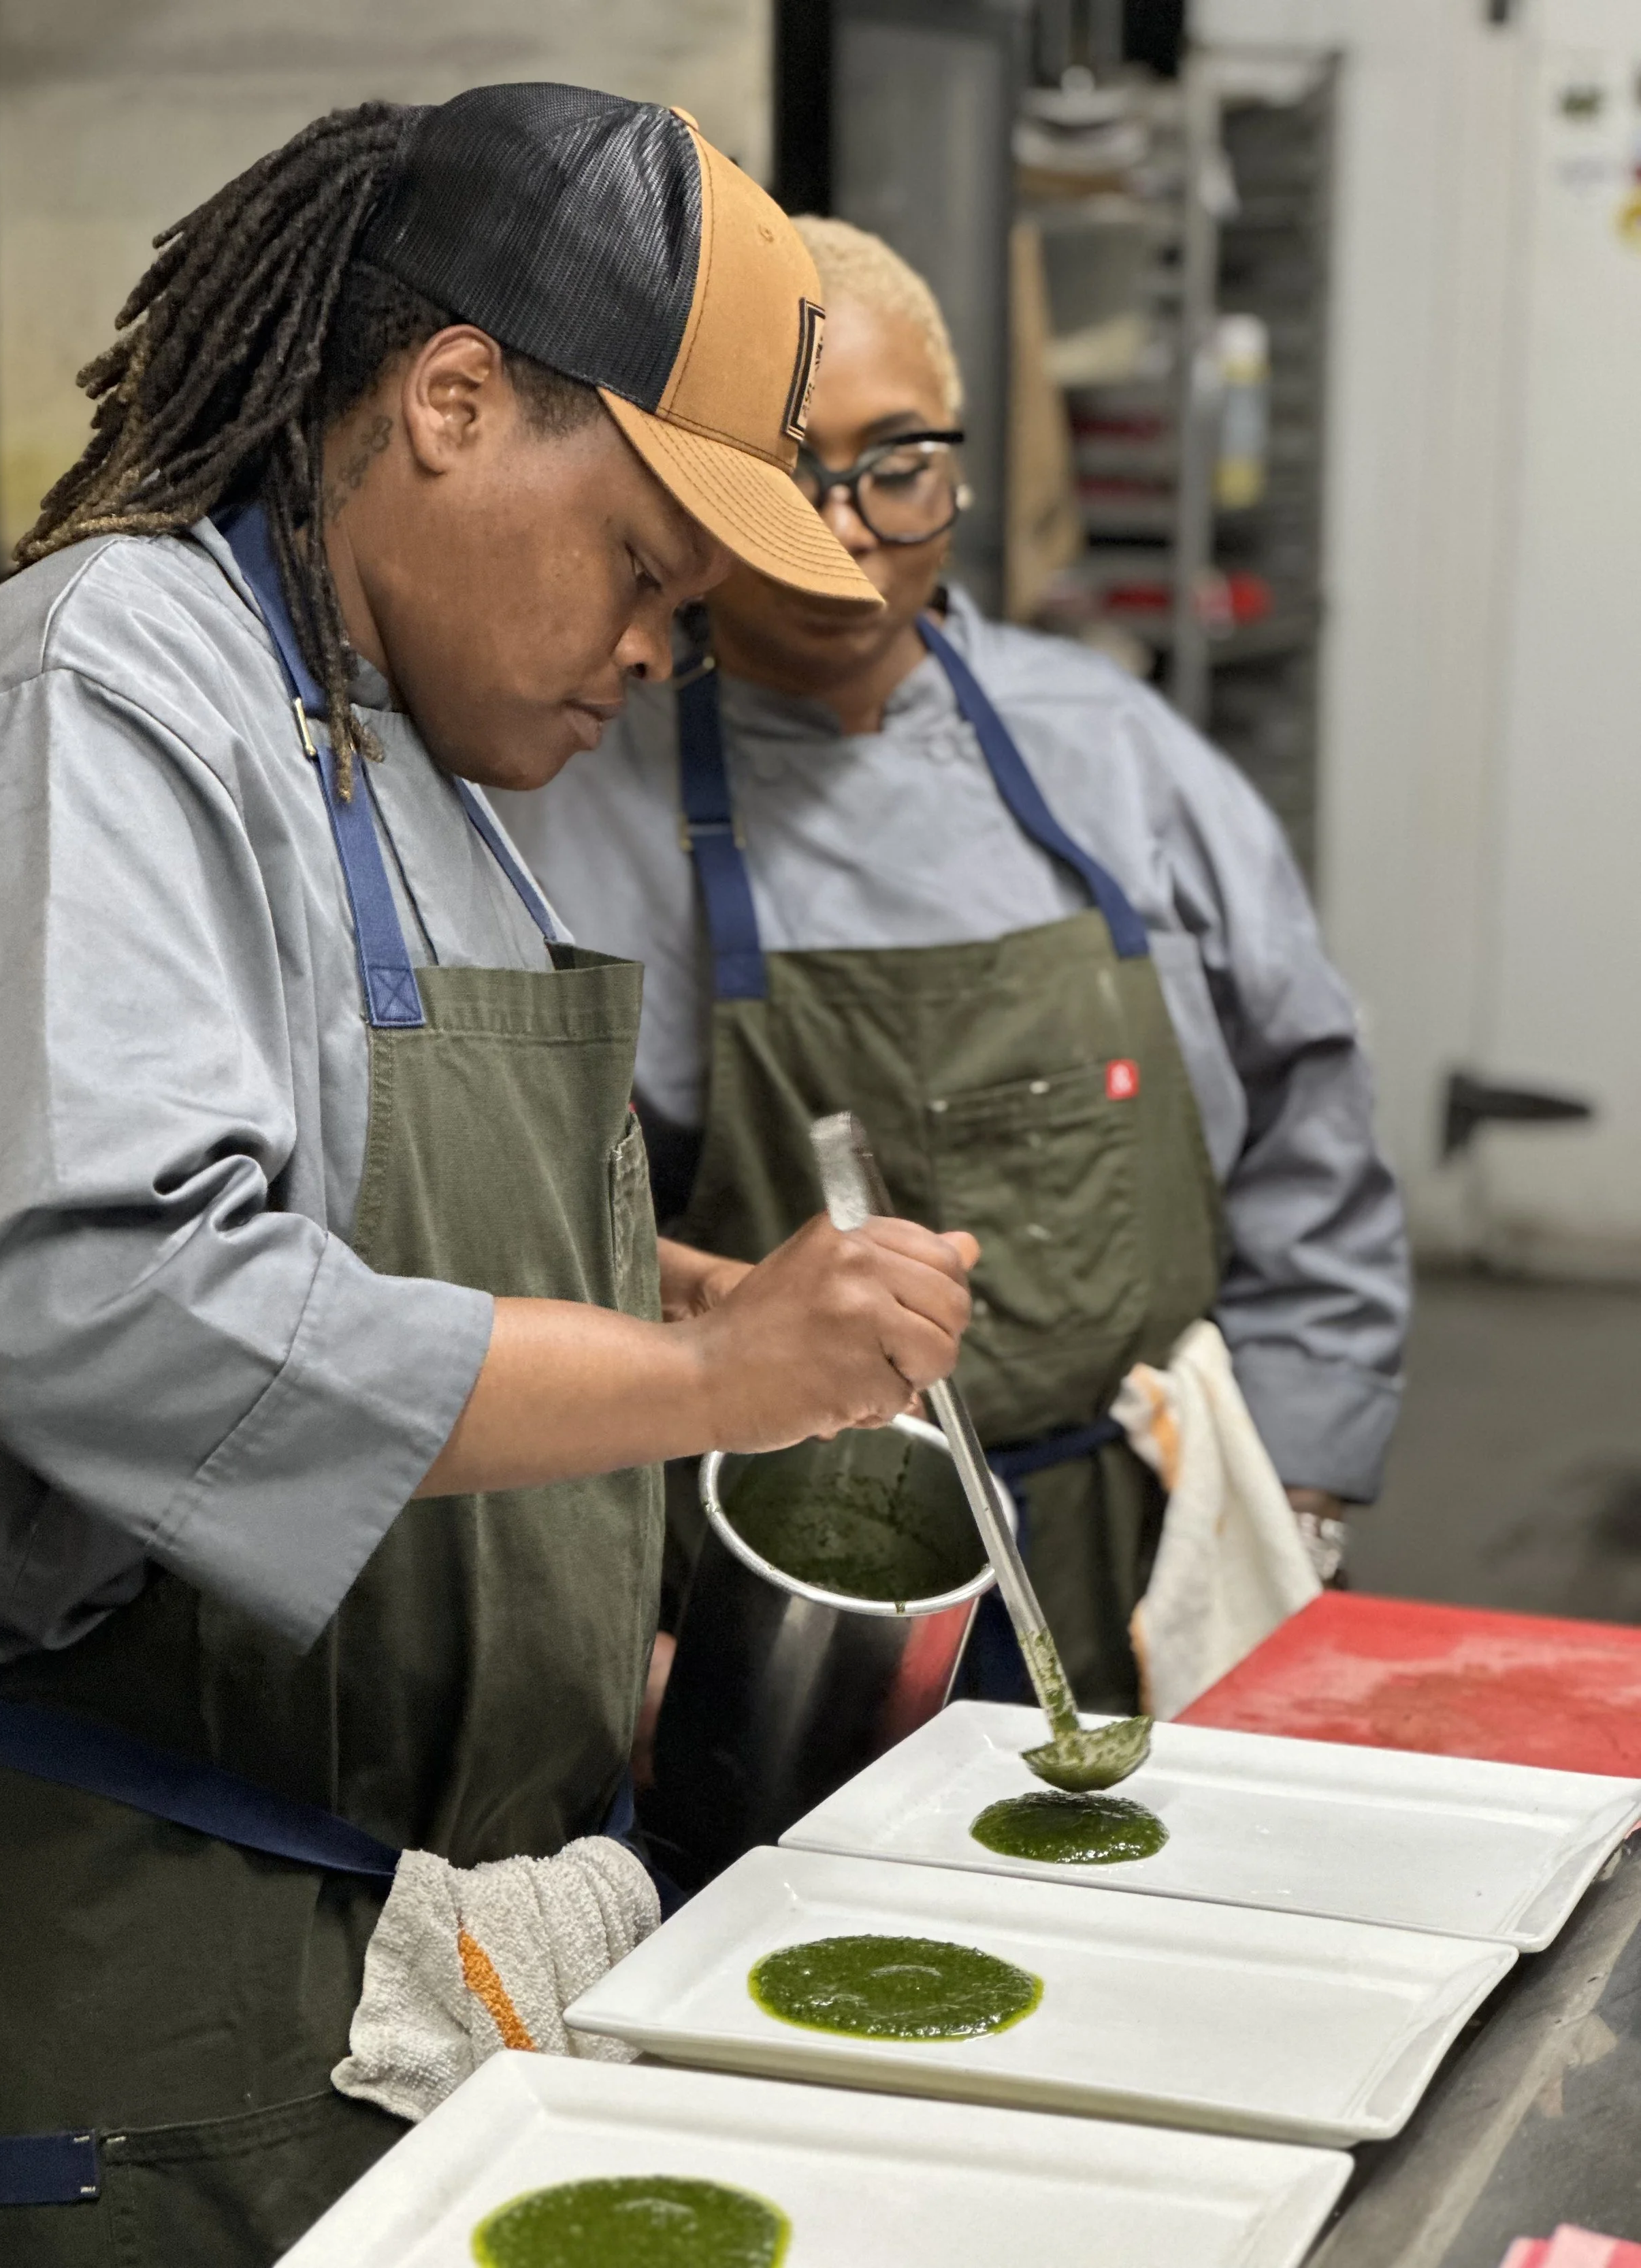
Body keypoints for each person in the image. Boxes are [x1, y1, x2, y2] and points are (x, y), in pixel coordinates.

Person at [0, 100, 979, 2261]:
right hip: (171, 2024)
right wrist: (708, 1383)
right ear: (450, 399)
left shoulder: (392, 737)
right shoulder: (113, 682)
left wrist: (663, 1295)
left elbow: (381, 1220)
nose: (653, 655)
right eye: (641, 570)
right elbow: (98, 1295)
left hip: (401, 1985)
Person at [502, 217, 1411, 1714]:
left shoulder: (1116, 757)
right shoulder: (580, 796)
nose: (846, 525)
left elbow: (1306, 1124)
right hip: (773, 1569)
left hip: (1148, 1540)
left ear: (962, 472)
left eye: (897, 464)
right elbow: (538, 1240)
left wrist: (1297, 1491)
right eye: (791, 476)